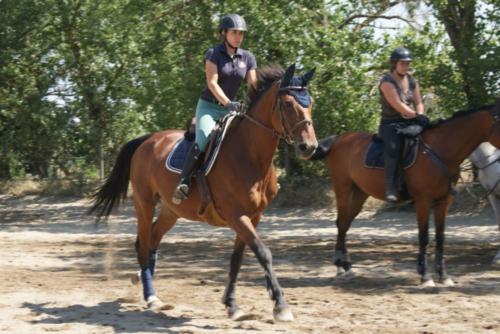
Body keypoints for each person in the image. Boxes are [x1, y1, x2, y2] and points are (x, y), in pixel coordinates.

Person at [172, 14, 257, 204]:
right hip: (210, 107)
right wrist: (228, 103)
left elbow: (253, 86)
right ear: (224, 33)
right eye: (234, 32)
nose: (238, 36)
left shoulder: (248, 57)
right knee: (203, 137)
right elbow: (212, 83)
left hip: (231, 109)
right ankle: (183, 182)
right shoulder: (213, 54)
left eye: (241, 33)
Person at [378, 47, 425, 202]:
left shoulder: (412, 80)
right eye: (403, 63)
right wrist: (416, 115)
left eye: (408, 63)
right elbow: (398, 105)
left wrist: (421, 114)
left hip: (409, 120)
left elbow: (418, 101)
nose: (406, 66)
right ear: (394, 64)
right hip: (391, 124)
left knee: (431, 138)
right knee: (393, 148)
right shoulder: (386, 82)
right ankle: (390, 186)